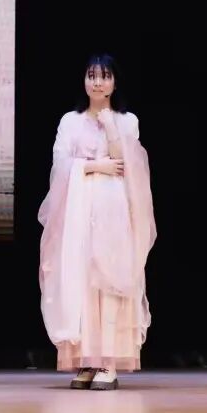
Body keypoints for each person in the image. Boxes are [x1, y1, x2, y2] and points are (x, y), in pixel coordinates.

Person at [38, 54, 156, 391]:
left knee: (111, 280)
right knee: (82, 281)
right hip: (77, 211)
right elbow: (60, 164)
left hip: (112, 210)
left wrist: (109, 126)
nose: (98, 82)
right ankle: (88, 360)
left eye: (104, 76)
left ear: (115, 82)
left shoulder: (127, 120)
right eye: (92, 76)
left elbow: (127, 163)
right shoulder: (70, 121)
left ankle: (109, 362)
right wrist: (93, 167)